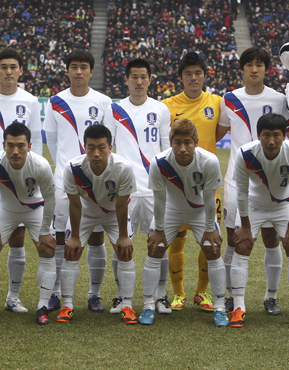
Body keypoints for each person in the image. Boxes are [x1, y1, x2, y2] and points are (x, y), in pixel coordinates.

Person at [216, 46, 289, 315]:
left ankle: (271, 297)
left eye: (260, 65)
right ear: (242, 69)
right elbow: (217, 133)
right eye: (249, 65)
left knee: (270, 239)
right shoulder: (229, 99)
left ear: (267, 69)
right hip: (238, 181)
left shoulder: (279, 99)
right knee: (234, 239)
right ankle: (232, 296)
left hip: (275, 183)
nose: (254, 69)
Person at [139, 118, 228, 327]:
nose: (182, 148)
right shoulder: (159, 162)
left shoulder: (209, 161)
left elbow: (209, 198)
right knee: (155, 248)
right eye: (177, 142)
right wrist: (159, 229)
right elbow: (159, 200)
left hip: (199, 212)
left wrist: (209, 229)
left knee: (213, 249)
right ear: (170, 142)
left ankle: (220, 308)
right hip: (171, 211)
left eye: (187, 142)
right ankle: (148, 305)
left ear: (196, 142)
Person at [43, 50, 113, 313]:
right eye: (74, 67)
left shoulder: (104, 102)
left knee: (96, 238)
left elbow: (108, 140)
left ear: (91, 71)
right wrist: (65, 167)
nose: (79, 72)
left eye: (84, 67)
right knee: (60, 237)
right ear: (67, 70)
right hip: (64, 180)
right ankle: (56, 293)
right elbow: (52, 140)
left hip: (97, 181)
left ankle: (94, 295)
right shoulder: (55, 102)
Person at [0, 48, 43, 315]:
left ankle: (13, 297)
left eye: (13, 67)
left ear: (20, 71)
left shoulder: (30, 100)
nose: (8, 72)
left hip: (19, 178)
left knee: (17, 238)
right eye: (3, 67)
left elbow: (34, 141)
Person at [103, 58, 172, 315]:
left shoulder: (161, 109)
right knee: (121, 243)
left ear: (150, 79)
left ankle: (160, 296)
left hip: (155, 189)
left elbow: (167, 149)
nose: (139, 82)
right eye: (134, 77)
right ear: (126, 80)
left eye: (144, 77)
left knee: (159, 244)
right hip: (125, 191)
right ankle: (122, 297)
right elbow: (108, 149)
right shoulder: (114, 109)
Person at [230, 113, 289, 329]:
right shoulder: (246, 153)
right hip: (253, 205)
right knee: (242, 245)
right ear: (258, 135)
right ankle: (238, 307)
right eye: (266, 135)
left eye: (276, 135)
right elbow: (242, 192)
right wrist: (245, 226)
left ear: (285, 136)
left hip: (284, 205)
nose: (271, 141)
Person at [161, 51, 224, 312]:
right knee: (177, 241)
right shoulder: (166, 105)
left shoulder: (218, 103)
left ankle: (201, 293)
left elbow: (218, 134)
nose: (193, 78)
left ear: (205, 75)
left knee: (210, 241)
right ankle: (178, 294)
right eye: (188, 74)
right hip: (176, 185)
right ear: (181, 78)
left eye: (198, 73)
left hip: (208, 184)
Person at [57, 125, 137, 324]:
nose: (96, 153)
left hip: (113, 214)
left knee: (125, 252)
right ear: (84, 147)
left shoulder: (123, 167)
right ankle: (67, 305)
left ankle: (127, 306)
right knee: (71, 251)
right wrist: (74, 236)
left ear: (111, 147)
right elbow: (74, 204)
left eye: (101, 147)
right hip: (85, 213)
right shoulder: (72, 168)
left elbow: (121, 204)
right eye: (91, 147)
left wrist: (123, 236)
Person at [0, 123, 56, 324]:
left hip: (35, 209)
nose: (15, 151)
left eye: (20, 146)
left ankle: (42, 307)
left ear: (29, 146)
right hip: (6, 210)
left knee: (47, 249)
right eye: (10, 145)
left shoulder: (41, 165)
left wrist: (46, 231)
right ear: (3, 144)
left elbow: (50, 199)